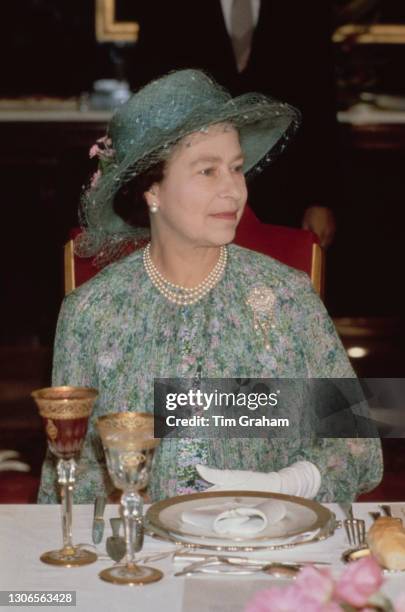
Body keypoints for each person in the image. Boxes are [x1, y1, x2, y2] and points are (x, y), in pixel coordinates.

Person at [38, 69, 382, 504]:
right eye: (207, 171)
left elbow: (358, 445)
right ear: (152, 190)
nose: (233, 191)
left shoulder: (287, 298)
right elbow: (66, 478)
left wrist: (284, 485)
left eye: (237, 169)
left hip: (267, 551)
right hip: (140, 563)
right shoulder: (92, 313)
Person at [131, 0, 338, 247]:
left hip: (286, 197)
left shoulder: (308, 8)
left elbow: (320, 103)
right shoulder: (164, 7)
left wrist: (321, 199)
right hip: (193, 198)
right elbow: (149, 100)